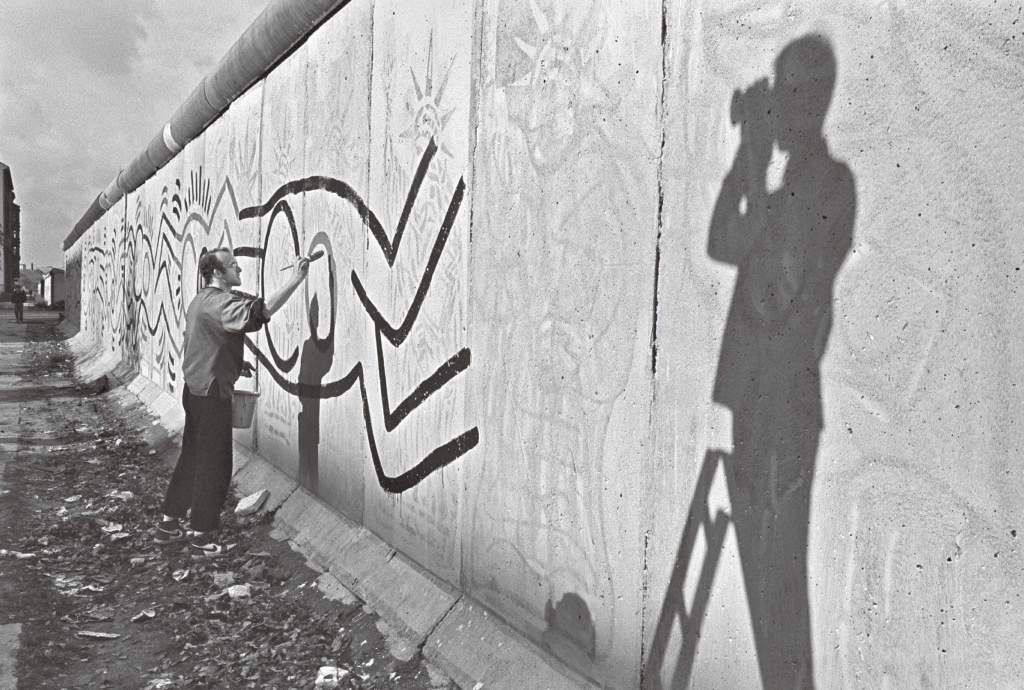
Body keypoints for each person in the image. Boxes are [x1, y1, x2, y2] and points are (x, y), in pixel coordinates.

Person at [155, 248, 310, 557]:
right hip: (212, 395)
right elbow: (261, 313)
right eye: (232, 266)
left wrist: (233, 364)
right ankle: (202, 536)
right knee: (215, 464)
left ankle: (168, 524)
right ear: (217, 273)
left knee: (192, 459)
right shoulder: (220, 303)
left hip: (195, 390)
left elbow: (203, 342)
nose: (238, 269)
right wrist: (297, 277)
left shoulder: (200, 301)